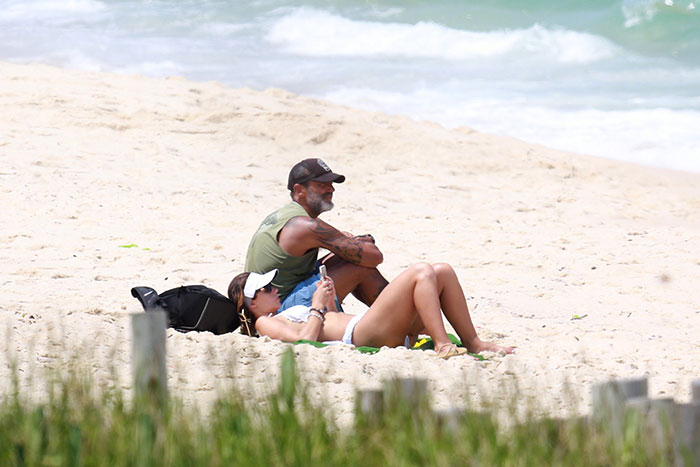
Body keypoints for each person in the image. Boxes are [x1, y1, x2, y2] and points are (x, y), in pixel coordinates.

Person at [228, 262, 514, 359]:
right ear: (252, 305)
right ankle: (442, 344)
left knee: (442, 271)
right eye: (266, 289)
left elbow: (325, 322)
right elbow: (305, 341)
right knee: (422, 272)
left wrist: (327, 301)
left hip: (371, 327)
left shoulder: (281, 312)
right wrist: (316, 305)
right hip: (363, 334)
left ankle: (473, 342)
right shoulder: (265, 323)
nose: (274, 288)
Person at [245, 158, 388, 313]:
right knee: (359, 267)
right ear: (299, 190)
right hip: (276, 309)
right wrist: (359, 244)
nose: (331, 189)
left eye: (331, 184)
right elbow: (374, 256)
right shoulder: (305, 226)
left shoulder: (287, 216)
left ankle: (397, 320)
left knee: (345, 258)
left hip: (261, 305)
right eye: (322, 185)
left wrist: (353, 245)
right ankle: (404, 319)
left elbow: (346, 243)